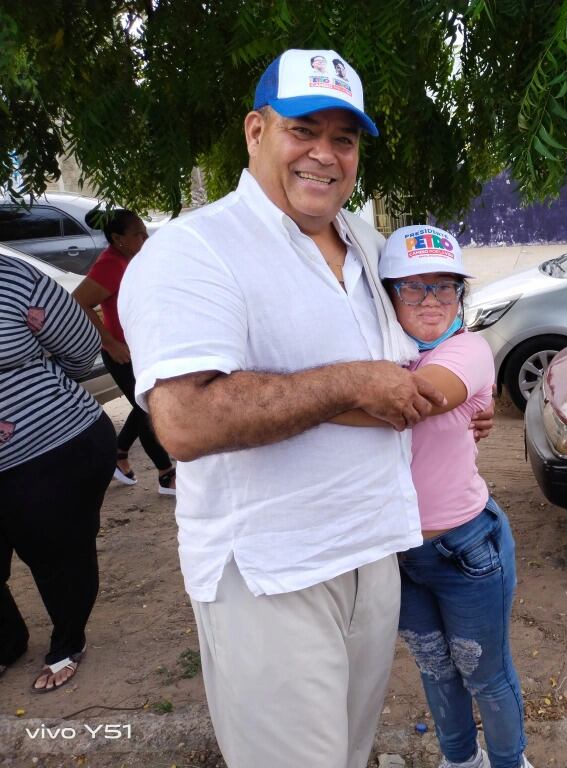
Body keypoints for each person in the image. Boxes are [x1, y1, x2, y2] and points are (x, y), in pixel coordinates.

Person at [119, 49, 488, 768]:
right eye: (303, 130)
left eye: (343, 139)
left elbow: (417, 363)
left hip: (374, 550)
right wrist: (349, 385)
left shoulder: (369, 246)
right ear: (256, 131)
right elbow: (184, 421)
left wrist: (459, 401)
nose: (325, 154)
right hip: (271, 572)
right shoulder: (193, 251)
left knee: (348, 753)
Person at [333, 225, 532, 768]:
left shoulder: (467, 348)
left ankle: (510, 762)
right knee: (435, 668)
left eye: (445, 286)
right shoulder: (374, 354)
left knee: (485, 673)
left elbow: (414, 403)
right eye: (413, 286)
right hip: (395, 551)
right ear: (387, 294)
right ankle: (460, 760)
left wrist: (301, 404)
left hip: (464, 548)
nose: (431, 301)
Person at [0, 252, 116, 692]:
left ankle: (68, 641)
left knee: (57, 555)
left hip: (50, 448)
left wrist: (32, 393)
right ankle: (6, 642)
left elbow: (81, 348)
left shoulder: (12, 278)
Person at [72, 209, 176, 495]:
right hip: (122, 353)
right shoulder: (110, 264)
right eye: (138, 234)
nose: (145, 238)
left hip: (141, 348)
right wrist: (109, 342)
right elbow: (78, 301)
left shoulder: (133, 259)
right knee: (149, 408)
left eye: (145, 232)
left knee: (143, 401)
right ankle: (165, 474)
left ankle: (119, 453)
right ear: (119, 239)